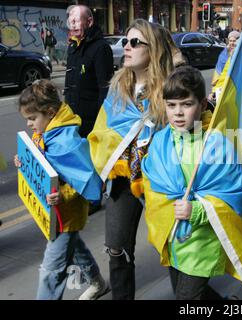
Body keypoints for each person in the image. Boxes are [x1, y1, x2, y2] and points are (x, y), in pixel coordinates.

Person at [141, 66, 242, 300]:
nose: (177, 113)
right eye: (171, 105)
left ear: (203, 105)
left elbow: (236, 194)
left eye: (186, 104)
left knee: (186, 298)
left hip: (203, 241)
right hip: (172, 235)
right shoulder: (161, 140)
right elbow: (153, 181)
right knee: (187, 293)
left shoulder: (216, 145)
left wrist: (197, 210)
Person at [88, 19, 174, 300]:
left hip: (159, 180)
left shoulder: (170, 89)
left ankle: (206, 300)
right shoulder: (117, 88)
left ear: (154, 50)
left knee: (175, 247)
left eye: (135, 42)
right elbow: (101, 132)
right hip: (123, 180)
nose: (126, 46)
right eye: (126, 41)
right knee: (116, 248)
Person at [14, 79, 107, 300]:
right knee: (74, 248)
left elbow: (85, 180)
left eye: (32, 118)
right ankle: (97, 283)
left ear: (51, 112)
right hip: (56, 215)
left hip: (66, 213)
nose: (29, 124)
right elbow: (43, 163)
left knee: (51, 270)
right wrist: (25, 162)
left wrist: (62, 195)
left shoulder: (68, 143)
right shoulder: (46, 130)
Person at [64, 5, 114, 138]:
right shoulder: (73, 46)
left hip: (91, 123)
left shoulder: (101, 48)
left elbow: (105, 89)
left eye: (76, 21)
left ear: (89, 21)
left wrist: (100, 123)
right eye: (70, 22)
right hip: (72, 119)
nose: (72, 26)